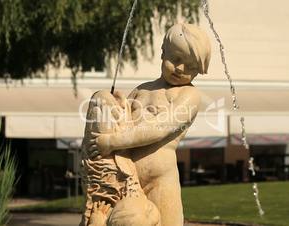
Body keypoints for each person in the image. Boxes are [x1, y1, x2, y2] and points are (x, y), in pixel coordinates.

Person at [89, 23, 211, 226]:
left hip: (160, 180)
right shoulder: (142, 89)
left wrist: (112, 141)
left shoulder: (189, 95)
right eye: (176, 59)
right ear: (163, 52)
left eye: (190, 67)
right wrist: (119, 105)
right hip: (128, 177)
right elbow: (124, 121)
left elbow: (159, 127)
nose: (181, 69)